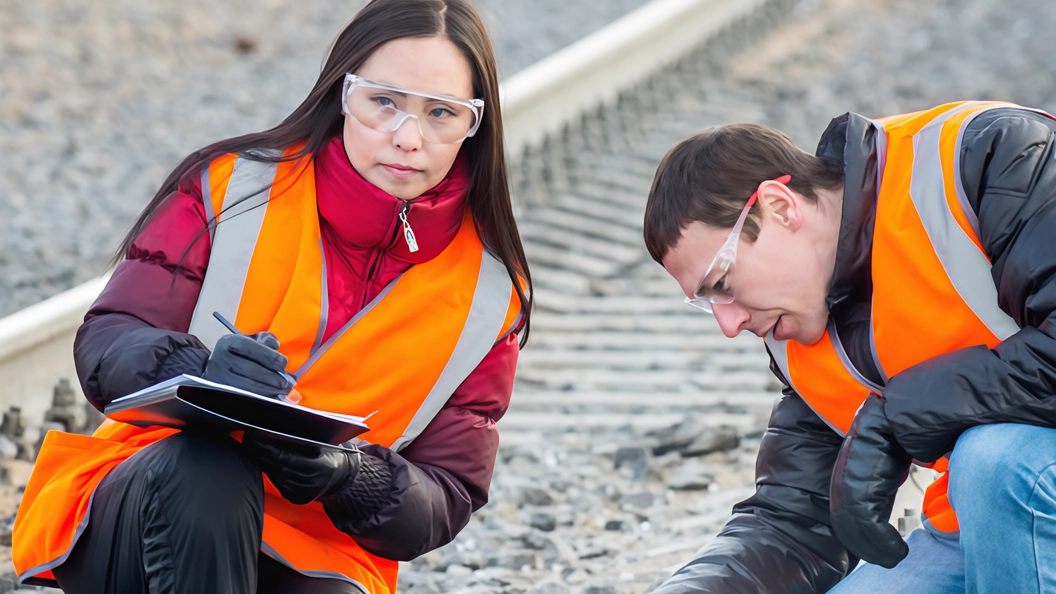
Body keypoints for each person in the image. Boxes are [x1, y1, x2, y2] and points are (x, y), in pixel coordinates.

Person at [12, 1, 532, 592]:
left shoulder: (493, 292)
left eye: (442, 113)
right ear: (343, 93)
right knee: (208, 472)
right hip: (150, 505)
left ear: (474, 125)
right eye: (383, 101)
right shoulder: (231, 186)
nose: (408, 138)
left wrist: (348, 475)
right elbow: (108, 338)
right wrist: (200, 372)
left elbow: (448, 492)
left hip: (315, 553)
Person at [642, 100, 1056, 593]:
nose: (729, 325)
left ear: (779, 207)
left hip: (1020, 488)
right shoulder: (796, 332)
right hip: (976, 532)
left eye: (723, 283)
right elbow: (792, 526)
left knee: (994, 460)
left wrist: (899, 414)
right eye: (706, 303)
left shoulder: (988, 156)